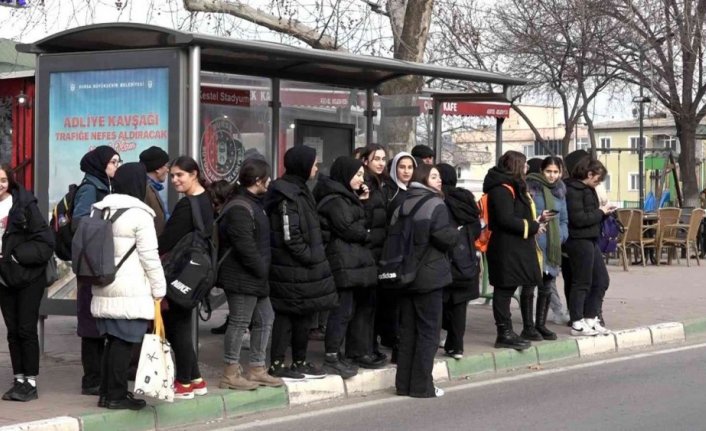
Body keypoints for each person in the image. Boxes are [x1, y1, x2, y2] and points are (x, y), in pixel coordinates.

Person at [90, 163, 166, 410]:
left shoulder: (99, 210)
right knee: (123, 342)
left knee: (112, 340)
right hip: (130, 287)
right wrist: (159, 289)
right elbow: (150, 257)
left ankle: (106, 393)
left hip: (103, 283)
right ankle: (117, 395)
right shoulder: (141, 215)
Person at [265, 145, 337, 380]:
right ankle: (277, 364)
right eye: (314, 163)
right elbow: (290, 236)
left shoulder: (300, 190)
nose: (316, 168)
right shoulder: (288, 195)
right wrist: (311, 257)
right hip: (291, 269)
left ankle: (299, 361)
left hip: (300, 269)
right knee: (286, 317)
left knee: (303, 317)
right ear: (303, 166)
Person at [392, 163, 458, 398]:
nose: (439, 180)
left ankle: (403, 384)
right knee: (429, 332)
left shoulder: (403, 203)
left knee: (408, 331)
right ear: (424, 179)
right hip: (428, 277)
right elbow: (442, 238)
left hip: (405, 275)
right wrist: (456, 232)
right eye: (434, 176)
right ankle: (422, 386)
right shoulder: (435, 204)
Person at [217, 159, 283, 390]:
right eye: (267, 178)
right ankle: (230, 372)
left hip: (255, 276)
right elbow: (244, 245)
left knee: (266, 318)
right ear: (257, 181)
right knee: (239, 322)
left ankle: (256, 368)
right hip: (242, 276)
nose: (270, 182)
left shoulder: (254, 202)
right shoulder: (240, 207)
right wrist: (261, 269)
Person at [313, 156, 377, 378]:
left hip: (348, 262)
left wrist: (362, 202)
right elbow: (349, 229)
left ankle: (337, 354)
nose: (361, 179)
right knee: (341, 312)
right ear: (345, 175)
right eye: (358, 175)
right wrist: (366, 234)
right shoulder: (335, 200)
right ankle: (331, 355)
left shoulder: (346, 198)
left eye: (362, 175)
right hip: (341, 262)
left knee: (347, 311)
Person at [158, 156, 213, 399]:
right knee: (182, 324)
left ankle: (183, 382)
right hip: (195, 273)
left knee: (176, 326)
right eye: (172, 176)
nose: (175, 180)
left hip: (178, 272)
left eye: (180, 175)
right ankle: (196, 379)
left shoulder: (187, 205)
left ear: (194, 174)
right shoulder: (205, 200)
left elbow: (167, 241)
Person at [0, 165, 54, 402]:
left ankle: (30, 382)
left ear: (9, 181)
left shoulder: (24, 204)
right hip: (3, 278)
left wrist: (16, 255)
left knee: (26, 328)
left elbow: (45, 241)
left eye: (2, 180)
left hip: (28, 277)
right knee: (12, 332)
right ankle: (19, 378)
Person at [72, 145, 121, 396]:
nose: (116, 166)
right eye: (113, 162)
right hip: (91, 264)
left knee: (98, 321)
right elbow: (82, 222)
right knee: (90, 323)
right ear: (101, 163)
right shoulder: (91, 187)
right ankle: (91, 378)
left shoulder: (105, 185)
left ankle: (98, 375)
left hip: (98, 261)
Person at [484, 151, 543, 350]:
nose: (526, 169)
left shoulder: (513, 186)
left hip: (515, 245)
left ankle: (509, 331)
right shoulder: (501, 189)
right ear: (516, 166)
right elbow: (505, 219)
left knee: (509, 287)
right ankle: (504, 332)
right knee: (504, 289)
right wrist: (532, 226)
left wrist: (534, 224)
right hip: (505, 246)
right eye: (524, 165)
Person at [348, 144, 389, 368]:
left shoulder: (381, 184)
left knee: (372, 304)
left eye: (383, 159)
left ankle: (369, 346)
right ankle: (359, 350)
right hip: (367, 251)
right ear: (366, 161)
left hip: (377, 251)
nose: (381, 163)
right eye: (376, 159)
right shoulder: (365, 185)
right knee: (363, 305)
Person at [564, 157, 614, 336]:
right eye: (597, 178)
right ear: (589, 173)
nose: (599, 182)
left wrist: (604, 212)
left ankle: (591, 317)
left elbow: (589, 215)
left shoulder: (589, 189)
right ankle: (577, 321)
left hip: (591, 238)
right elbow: (578, 219)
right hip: (578, 240)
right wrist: (601, 212)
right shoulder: (572, 190)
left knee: (601, 280)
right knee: (582, 281)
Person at [436, 163, 481, 359]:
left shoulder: (439, 201)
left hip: (444, 260)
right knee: (460, 305)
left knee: (439, 302)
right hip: (466, 261)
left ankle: (437, 339)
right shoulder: (466, 199)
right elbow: (477, 230)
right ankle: (456, 347)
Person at [376, 151, 416, 361]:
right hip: (391, 252)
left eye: (410, 167)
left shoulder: (416, 191)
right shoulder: (388, 191)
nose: (406, 171)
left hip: (409, 254)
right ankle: (390, 338)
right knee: (391, 301)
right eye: (402, 167)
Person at [525, 156, 569, 341]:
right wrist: (537, 222)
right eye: (549, 171)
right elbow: (524, 214)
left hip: (552, 246)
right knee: (529, 287)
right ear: (541, 170)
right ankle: (528, 327)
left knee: (547, 286)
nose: (552, 176)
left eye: (556, 172)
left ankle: (541, 325)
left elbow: (564, 219)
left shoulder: (559, 191)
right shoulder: (531, 188)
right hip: (534, 244)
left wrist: (561, 235)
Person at [139, 146, 170, 235]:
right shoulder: (146, 189)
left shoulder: (151, 187)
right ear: (158, 168)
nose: (168, 170)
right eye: (166, 166)